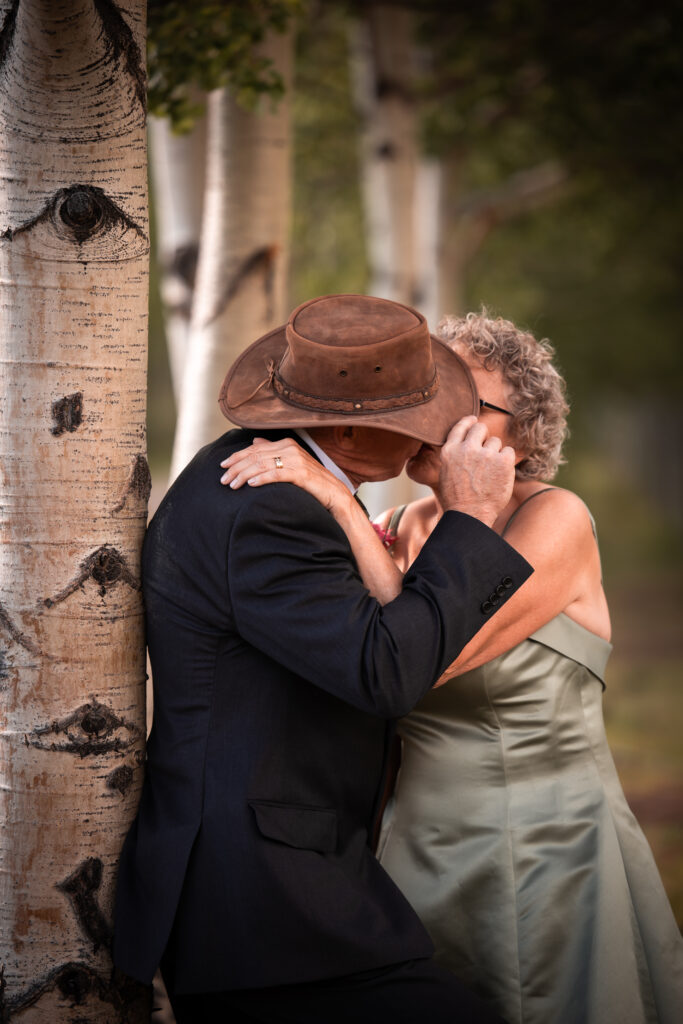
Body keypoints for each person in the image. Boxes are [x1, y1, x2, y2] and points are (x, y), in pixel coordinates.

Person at [226, 310, 683, 1024]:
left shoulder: (556, 518)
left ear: (518, 433)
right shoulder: (401, 529)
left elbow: (426, 654)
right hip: (409, 851)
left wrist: (339, 506)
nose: (428, 414)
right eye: (423, 393)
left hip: (546, 850)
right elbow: (354, 658)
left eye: (461, 404)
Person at [113, 294, 533, 1022]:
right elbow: (387, 670)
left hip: (287, 893)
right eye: (418, 415)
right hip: (267, 904)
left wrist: (346, 509)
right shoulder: (269, 508)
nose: (437, 431)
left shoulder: (285, 485)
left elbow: (382, 624)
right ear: (346, 426)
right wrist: (470, 520)